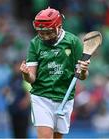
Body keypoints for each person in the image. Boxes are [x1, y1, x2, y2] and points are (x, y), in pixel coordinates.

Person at [20, 7, 90, 139]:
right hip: (42, 97)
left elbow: (82, 76)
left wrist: (84, 70)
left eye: (49, 32)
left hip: (65, 97)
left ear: (59, 26)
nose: (45, 36)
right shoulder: (35, 43)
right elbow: (32, 78)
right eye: (42, 33)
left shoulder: (73, 42)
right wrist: (26, 74)